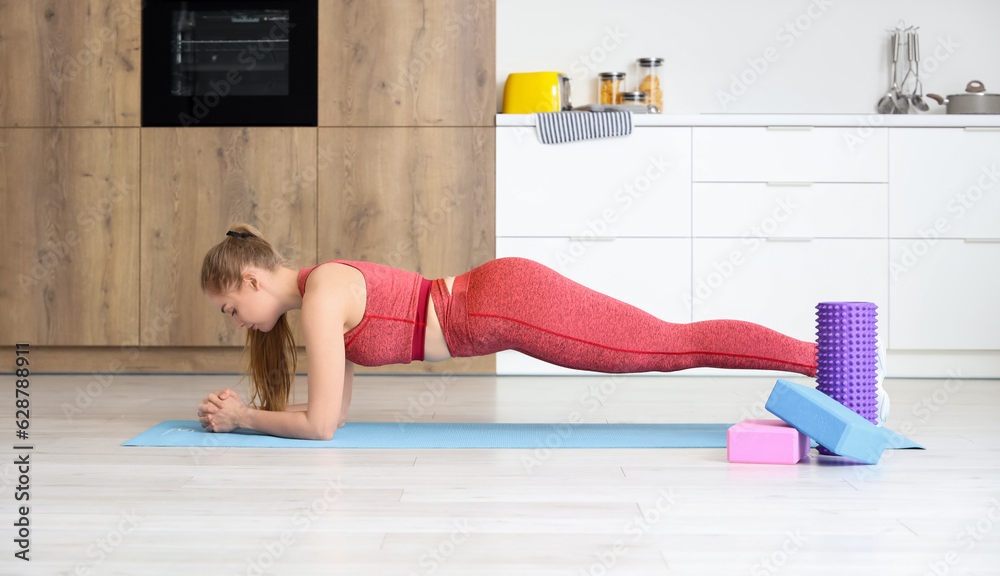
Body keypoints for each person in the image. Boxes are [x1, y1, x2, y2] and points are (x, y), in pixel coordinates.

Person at [197, 224, 818, 440]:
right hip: (503, 298)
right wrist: (250, 414)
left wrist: (245, 418)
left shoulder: (322, 296)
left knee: (666, 347)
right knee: (667, 342)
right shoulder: (320, 293)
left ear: (251, 282)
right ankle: (818, 360)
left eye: (229, 310)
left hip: (509, 304)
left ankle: (820, 359)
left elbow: (321, 429)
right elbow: (331, 412)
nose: (237, 324)